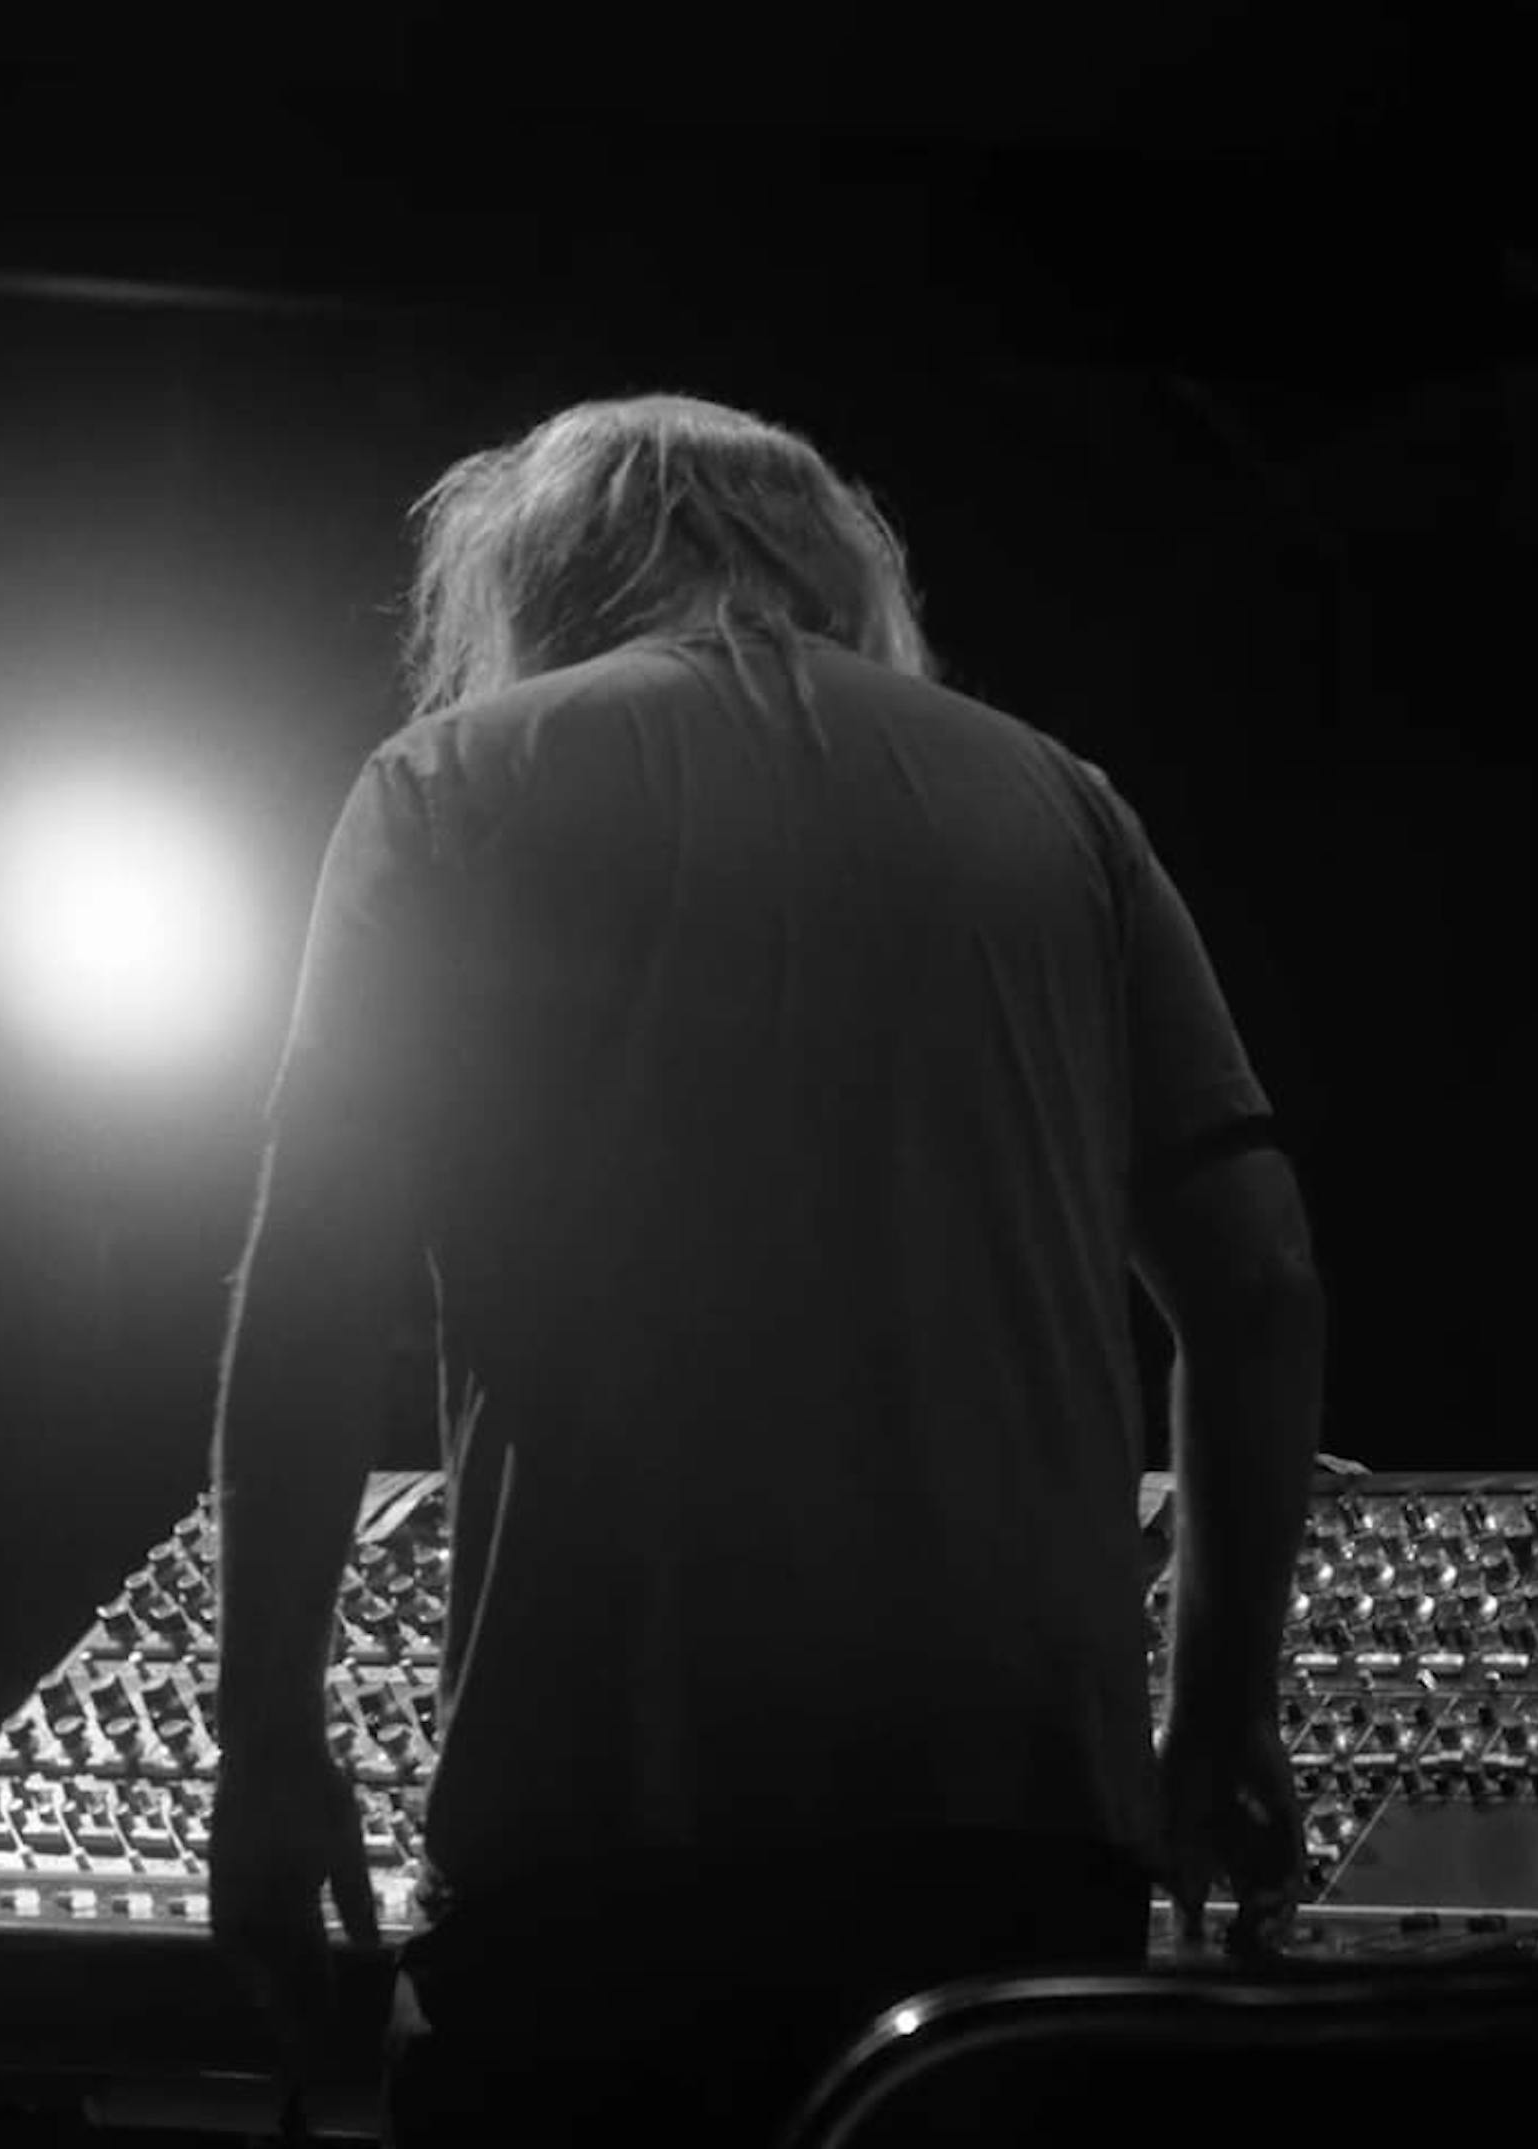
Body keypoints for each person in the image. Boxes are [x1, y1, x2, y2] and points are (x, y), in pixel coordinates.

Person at [206, 393, 1330, 2146]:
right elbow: (1255, 1281)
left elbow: (313, 1294)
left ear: (531, 584)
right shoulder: (1062, 805)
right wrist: (1221, 1710)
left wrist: (267, 1738)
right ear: (834, 569)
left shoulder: (449, 785)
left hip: (603, 1804)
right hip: (1019, 1811)